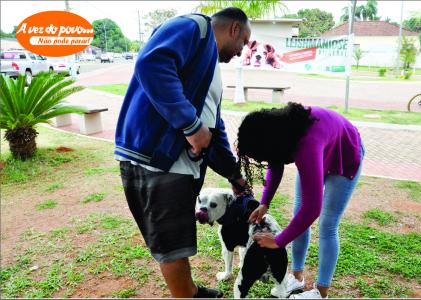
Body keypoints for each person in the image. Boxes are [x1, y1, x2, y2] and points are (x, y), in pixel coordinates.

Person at [114, 8, 251, 298]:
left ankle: (189, 290)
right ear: (234, 29)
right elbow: (152, 64)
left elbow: (213, 127)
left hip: (175, 166)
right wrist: (190, 125)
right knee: (171, 246)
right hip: (158, 163)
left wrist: (234, 176)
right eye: (243, 42)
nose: (241, 52)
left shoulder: (208, 65)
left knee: (177, 240)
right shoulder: (195, 27)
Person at [237, 103, 365, 299]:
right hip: (322, 148)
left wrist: (279, 241)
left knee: (328, 225)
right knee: (299, 214)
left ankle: (321, 292)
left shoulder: (306, 145)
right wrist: (265, 203)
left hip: (344, 153)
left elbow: (312, 208)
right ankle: (297, 278)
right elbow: (275, 162)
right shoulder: (279, 133)